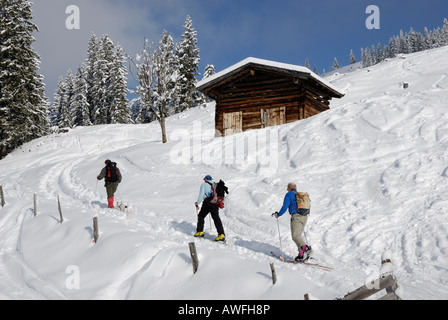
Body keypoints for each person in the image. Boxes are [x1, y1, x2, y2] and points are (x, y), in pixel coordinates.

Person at [274, 182, 311, 261]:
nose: (287, 190)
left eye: (287, 189)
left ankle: (306, 248)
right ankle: (301, 255)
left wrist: (278, 214)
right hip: (304, 217)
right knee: (298, 236)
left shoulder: (289, 195)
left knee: (295, 236)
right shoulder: (299, 195)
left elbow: (285, 206)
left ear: (289, 188)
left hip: (296, 217)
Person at [194, 175, 226, 242]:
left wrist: (197, 203)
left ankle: (200, 232)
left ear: (206, 179)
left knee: (201, 216)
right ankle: (221, 234)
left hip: (207, 203)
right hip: (215, 204)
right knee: (216, 218)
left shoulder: (204, 185)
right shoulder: (215, 184)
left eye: (204, 179)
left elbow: (201, 195)